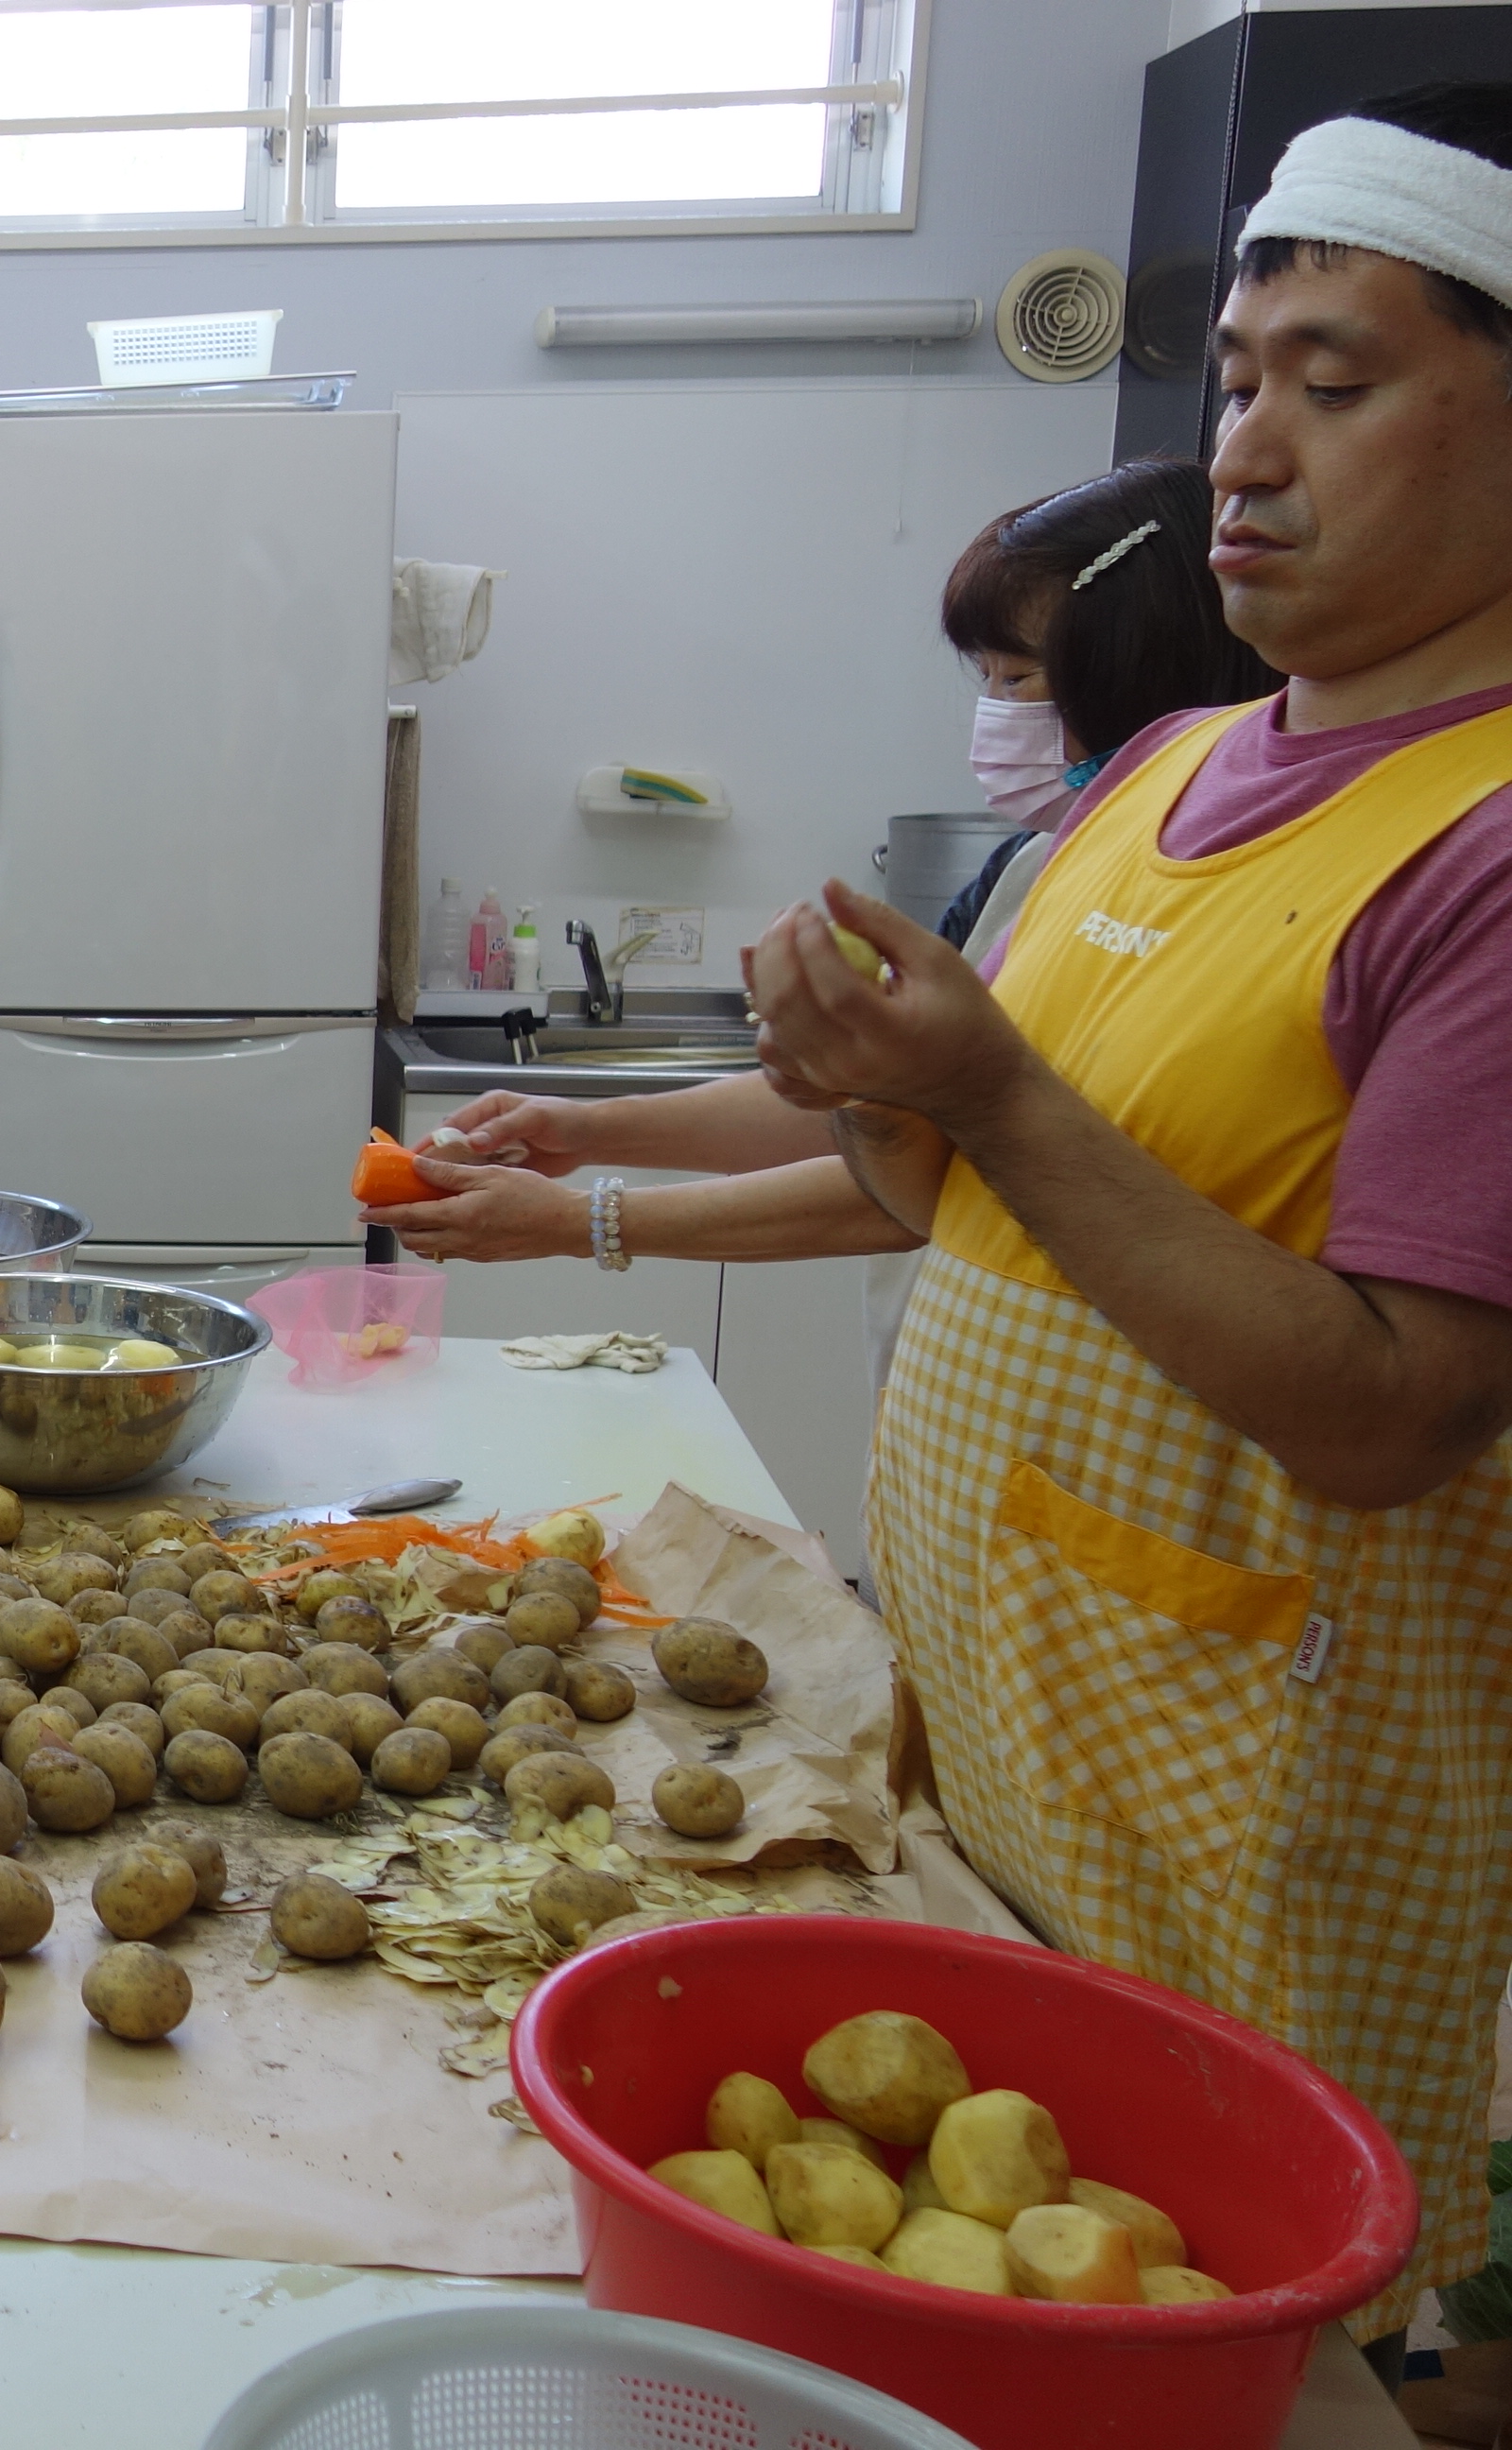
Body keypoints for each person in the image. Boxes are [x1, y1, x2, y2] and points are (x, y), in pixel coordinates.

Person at [751, 83, 1512, 2348]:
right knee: (969, 2289)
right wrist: (876, 1094)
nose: (1244, 458)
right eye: (1239, 383)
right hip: (998, 1723)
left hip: (1251, 1771)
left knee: (1217, 2325)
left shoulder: (1478, 847)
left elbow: (1391, 1413)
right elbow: (973, 1201)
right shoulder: (1175, 767)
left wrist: (975, 1077)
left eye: (1339, 385)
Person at [368, 458, 1274, 1286]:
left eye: (1020, 679)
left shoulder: (1233, 906)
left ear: (1144, 675)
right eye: (986, 679)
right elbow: (875, 1117)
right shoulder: (1030, 866)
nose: (995, 716)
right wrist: (586, 1128)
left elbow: (931, 1176)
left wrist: (582, 1219)